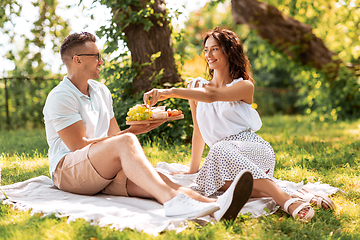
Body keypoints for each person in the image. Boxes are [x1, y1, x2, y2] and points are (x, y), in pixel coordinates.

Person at [42, 31, 254, 221]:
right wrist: (129, 134)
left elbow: (115, 138)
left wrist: (137, 129)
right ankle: (172, 203)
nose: (101, 61)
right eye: (96, 56)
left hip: (100, 168)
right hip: (68, 170)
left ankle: (216, 207)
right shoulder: (61, 96)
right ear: (77, 60)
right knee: (128, 143)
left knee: (158, 179)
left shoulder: (101, 92)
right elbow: (79, 146)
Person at [144, 27, 336, 222]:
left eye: (215, 49)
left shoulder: (244, 86)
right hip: (222, 159)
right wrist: (192, 170)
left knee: (219, 150)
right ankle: (299, 194)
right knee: (223, 187)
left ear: (229, 51)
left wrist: (168, 92)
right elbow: (199, 131)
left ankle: (282, 197)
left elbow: (213, 96)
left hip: (253, 151)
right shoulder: (196, 87)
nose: (208, 55)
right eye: (206, 49)